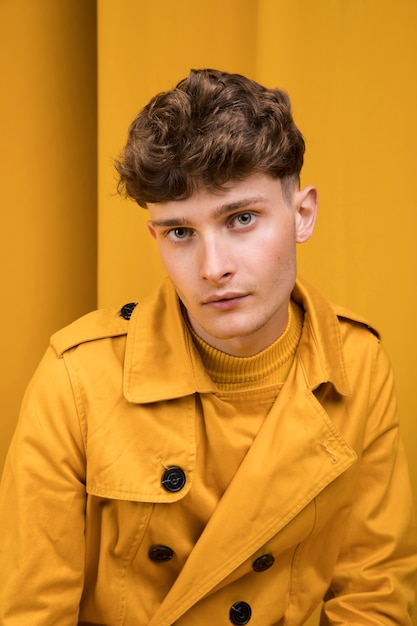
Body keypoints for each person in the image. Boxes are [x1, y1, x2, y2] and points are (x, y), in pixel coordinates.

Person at [0, 68, 416, 626]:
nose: (212, 267)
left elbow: (374, 595)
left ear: (302, 215)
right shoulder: (78, 378)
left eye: (241, 219)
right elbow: (30, 612)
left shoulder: (357, 363)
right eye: (180, 232)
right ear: (155, 237)